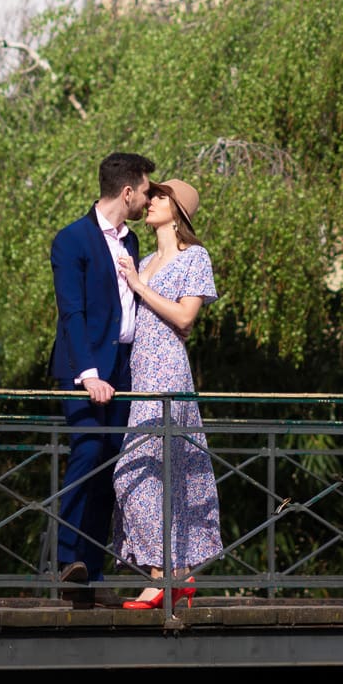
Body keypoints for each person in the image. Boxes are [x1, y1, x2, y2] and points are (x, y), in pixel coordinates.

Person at [49, 151, 156, 607]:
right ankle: (66, 559)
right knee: (88, 451)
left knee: (111, 468)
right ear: (127, 191)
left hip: (125, 374)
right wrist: (88, 375)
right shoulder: (71, 240)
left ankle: (88, 577)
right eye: (146, 191)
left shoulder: (131, 245)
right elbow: (71, 312)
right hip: (84, 371)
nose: (148, 199)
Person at [112, 177, 223, 610]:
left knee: (135, 472)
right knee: (154, 474)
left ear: (177, 209)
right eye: (152, 194)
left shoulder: (195, 256)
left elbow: (184, 318)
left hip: (167, 372)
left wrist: (138, 287)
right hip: (140, 372)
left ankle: (163, 578)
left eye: (160, 196)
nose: (151, 200)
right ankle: (176, 577)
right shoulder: (144, 259)